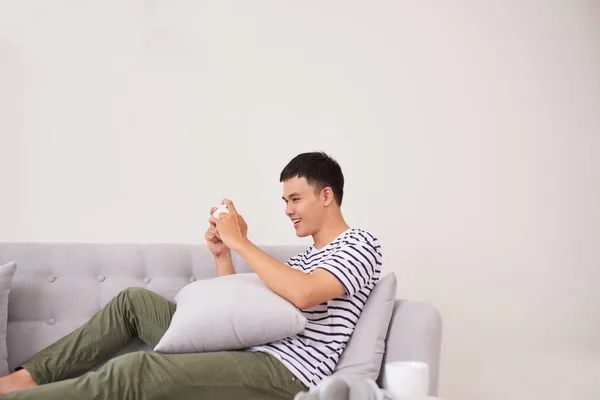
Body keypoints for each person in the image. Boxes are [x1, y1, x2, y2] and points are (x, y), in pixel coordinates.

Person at [0, 151, 382, 400]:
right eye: (284, 201)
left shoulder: (360, 244)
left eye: (295, 199)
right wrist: (225, 253)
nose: (287, 210)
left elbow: (305, 295)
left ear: (327, 196)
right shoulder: (305, 258)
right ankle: (26, 378)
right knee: (133, 303)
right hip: (249, 351)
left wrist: (242, 242)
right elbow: (236, 314)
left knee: (135, 371)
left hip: (284, 373)